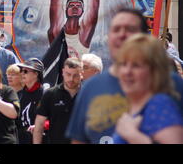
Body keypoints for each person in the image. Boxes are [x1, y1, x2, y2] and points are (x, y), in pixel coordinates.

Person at [66, 8, 183, 144]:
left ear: (143, 37)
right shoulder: (91, 87)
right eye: (116, 29)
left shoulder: (169, 84)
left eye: (130, 29)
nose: (122, 35)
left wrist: (135, 137)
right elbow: (78, 140)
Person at [112, 34, 183, 144]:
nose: (127, 71)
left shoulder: (160, 104)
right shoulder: (132, 100)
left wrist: (133, 135)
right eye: (124, 64)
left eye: (136, 65)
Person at [34, 57, 83, 144]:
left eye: (75, 75)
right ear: (63, 72)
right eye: (68, 74)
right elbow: (39, 124)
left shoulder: (88, 94)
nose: (71, 79)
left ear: (81, 74)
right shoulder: (50, 94)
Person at [16, 58, 44, 144]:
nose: (22, 73)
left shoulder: (45, 94)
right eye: (21, 70)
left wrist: (39, 126)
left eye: (25, 71)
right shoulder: (20, 94)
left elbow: (54, 118)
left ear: (36, 74)